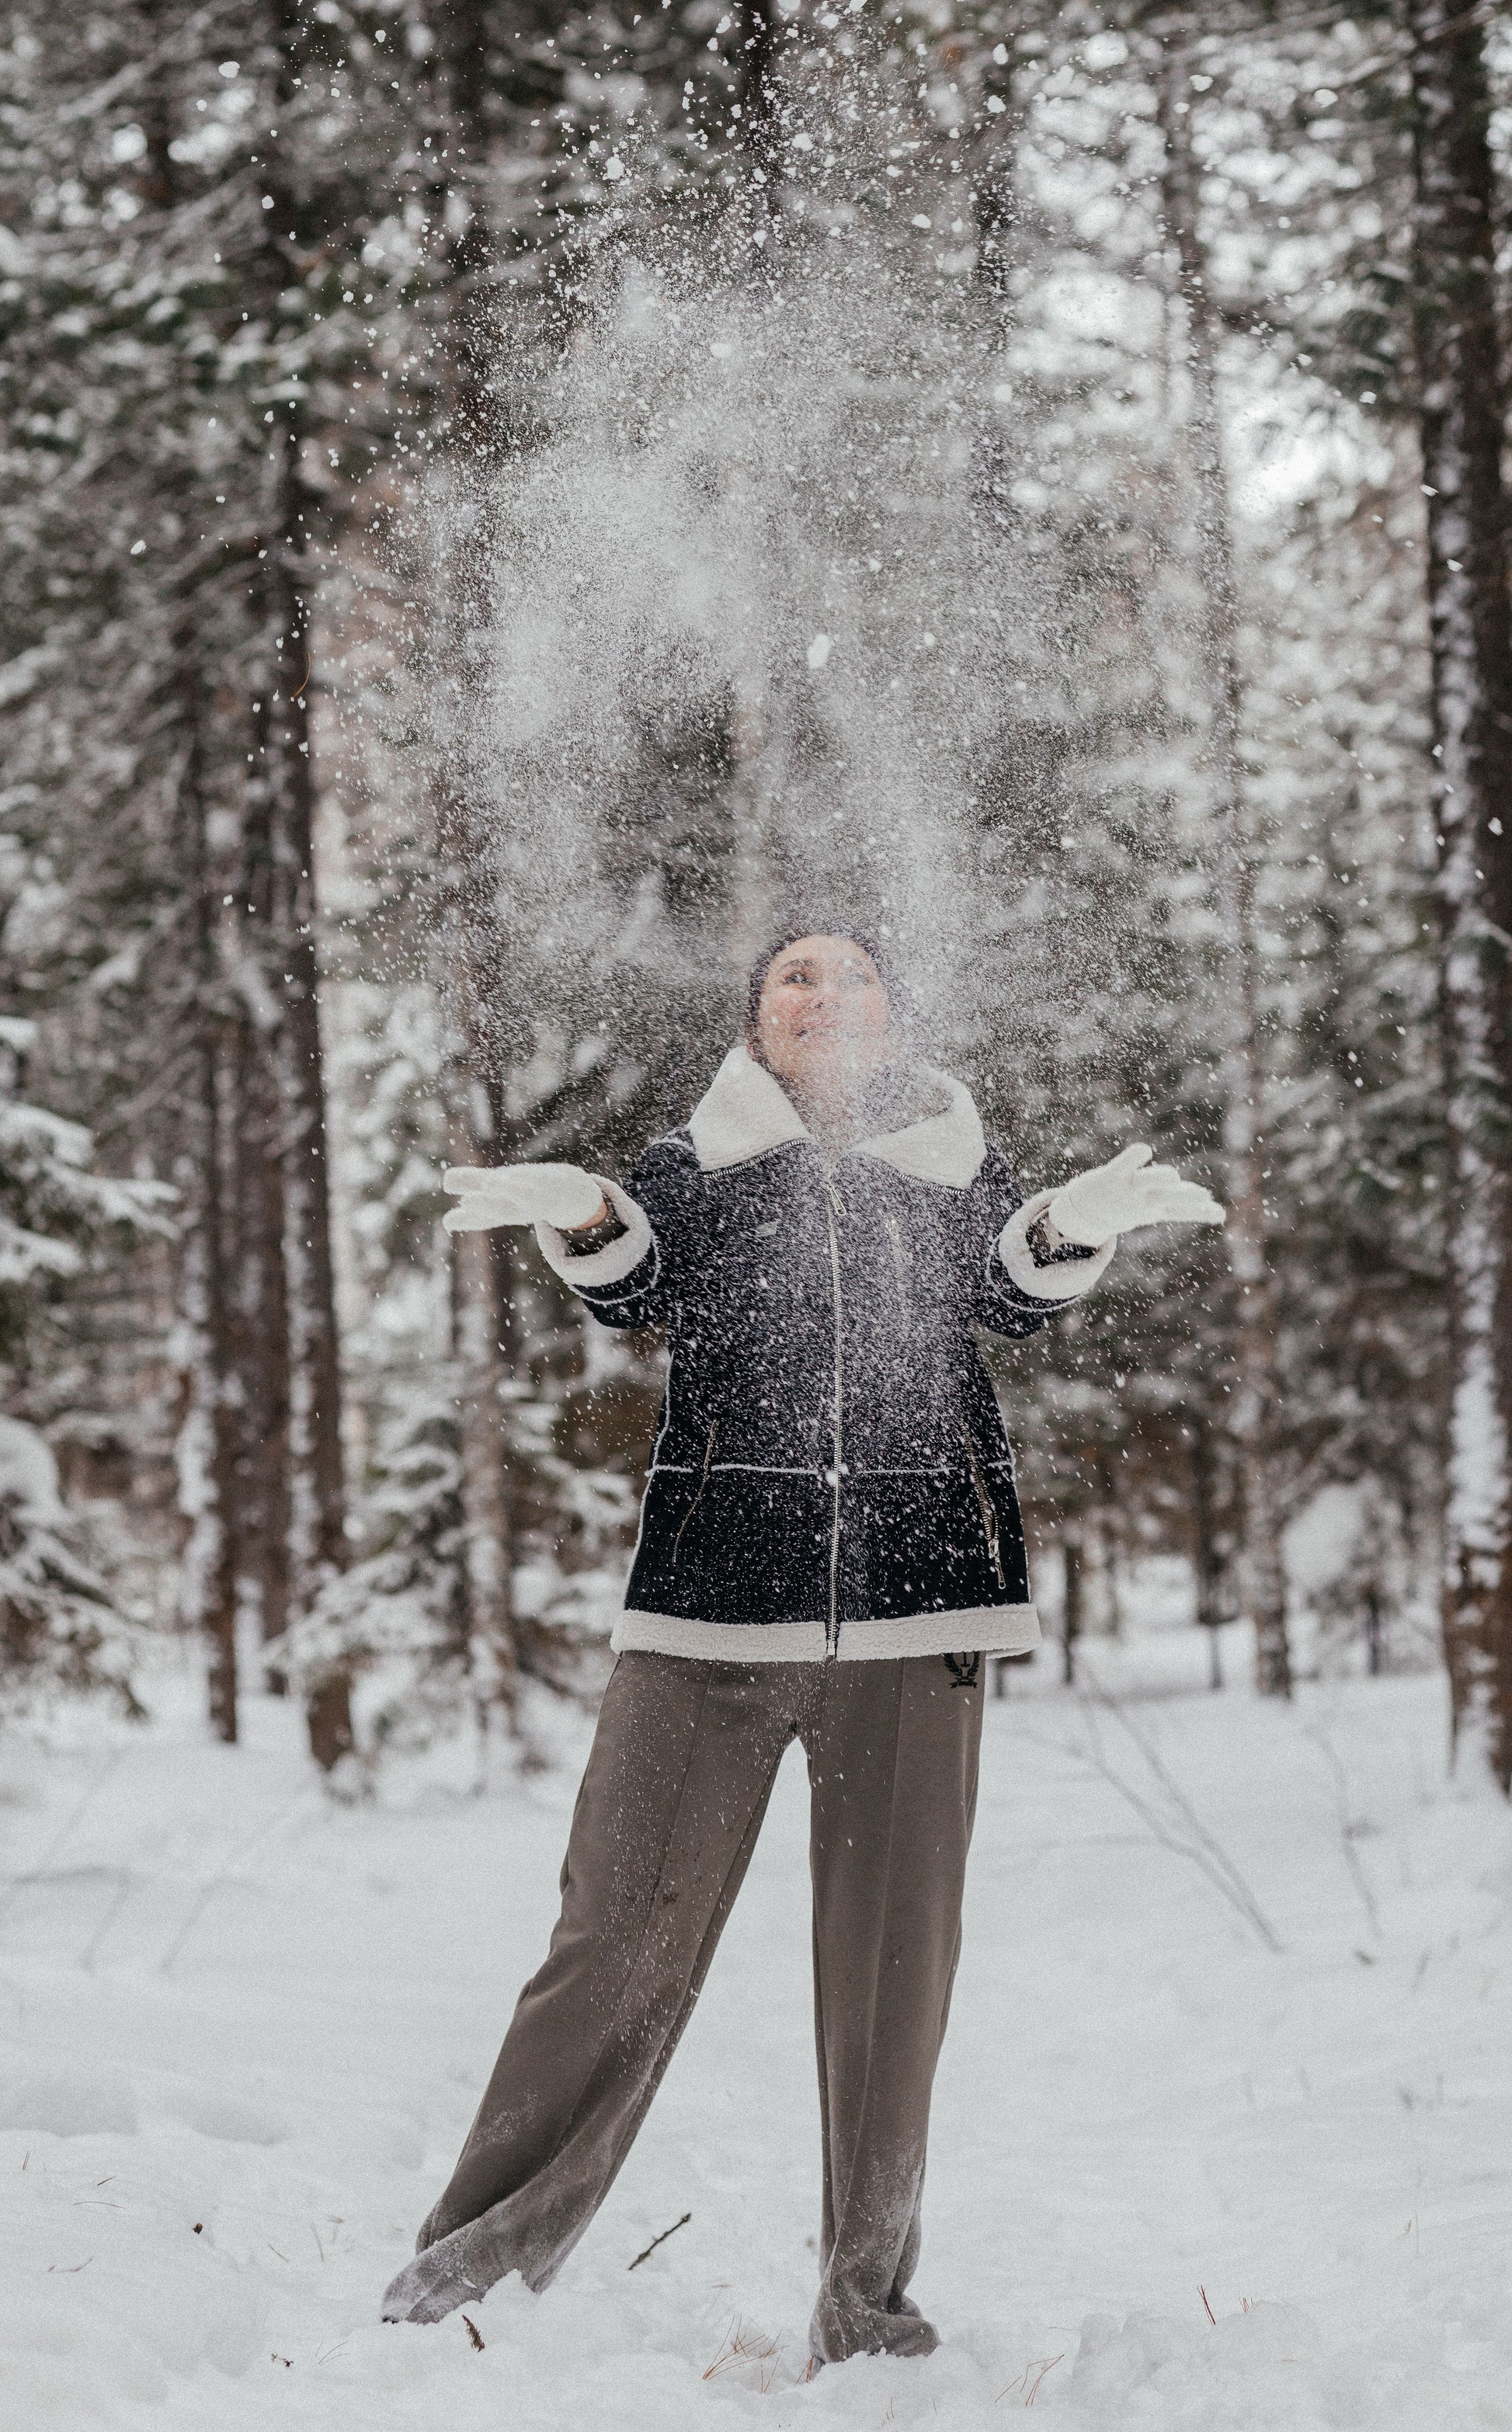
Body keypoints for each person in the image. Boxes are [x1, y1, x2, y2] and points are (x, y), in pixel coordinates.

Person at [381, 929, 1222, 2362]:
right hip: (707, 1611)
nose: (826, 1000)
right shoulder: (699, 1161)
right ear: (758, 1018)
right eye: (797, 980)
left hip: (921, 1613)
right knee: (612, 1941)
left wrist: (1071, 1225)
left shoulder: (950, 1161)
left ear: (895, 1017)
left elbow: (1012, 1289)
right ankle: (461, 2281)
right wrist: (585, 1212)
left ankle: (866, 2318)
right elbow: (637, 1277)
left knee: (896, 1974)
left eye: (856, 982)